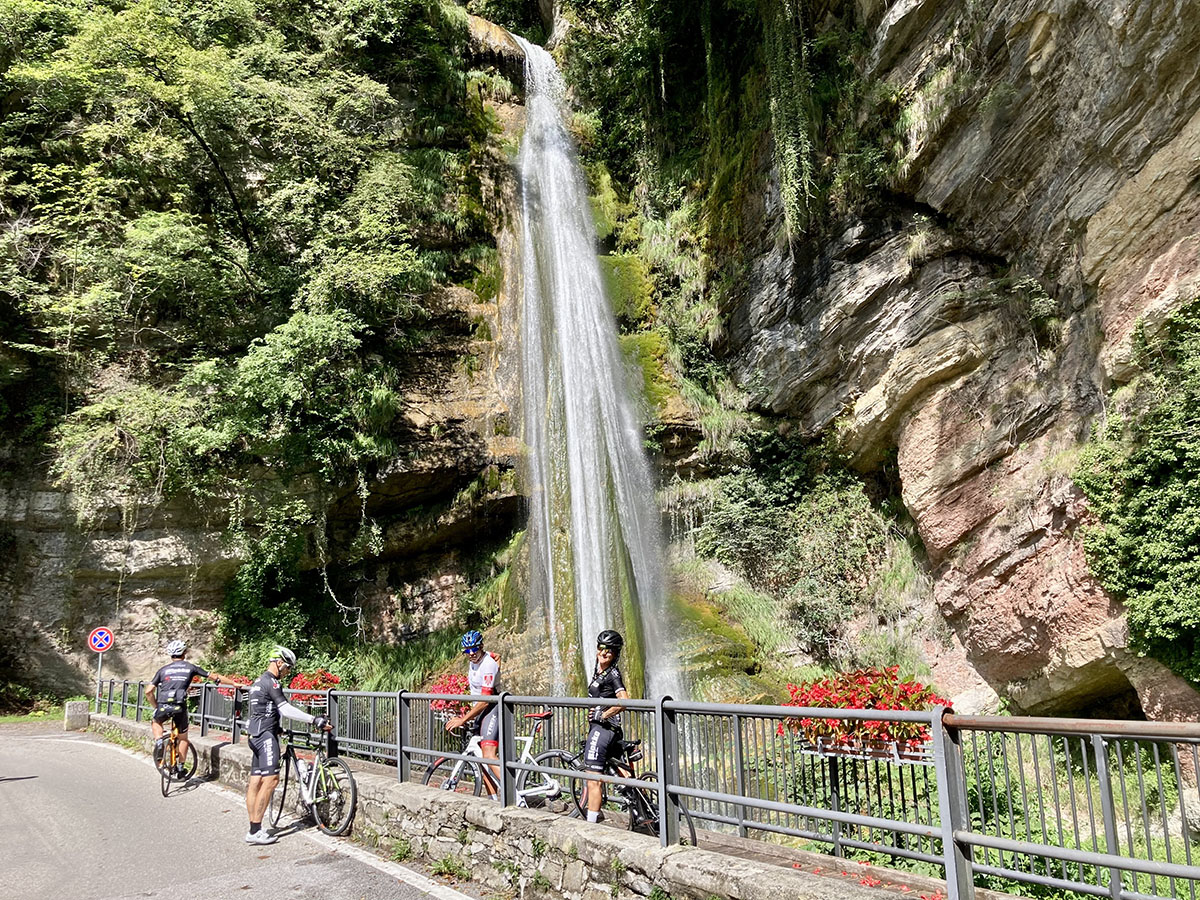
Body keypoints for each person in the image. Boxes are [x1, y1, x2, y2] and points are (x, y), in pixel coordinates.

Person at [243, 646, 333, 845]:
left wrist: (277, 728)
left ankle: (253, 827)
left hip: (255, 735)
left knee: (256, 782)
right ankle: (255, 830)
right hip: (265, 736)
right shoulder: (272, 682)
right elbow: (285, 708)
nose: (288, 672)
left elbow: (262, 710)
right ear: (279, 662)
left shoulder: (258, 681)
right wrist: (314, 720)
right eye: (288, 668)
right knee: (272, 780)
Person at [145, 640, 240, 779]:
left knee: (156, 722)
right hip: (179, 705)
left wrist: (156, 706)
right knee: (183, 739)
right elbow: (215, 677)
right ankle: (180, 768)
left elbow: (148, 691)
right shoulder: (190, 667)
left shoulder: (163, 670)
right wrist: (233, 683)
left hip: (163, 704)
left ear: (171, 655)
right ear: (184, 653)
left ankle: (159, 741)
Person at [444, 630, 502, 802]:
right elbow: (497, 655)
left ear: (481, 647)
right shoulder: (476, 660)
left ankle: (514, 795)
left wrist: (463, 719)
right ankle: (492, 799)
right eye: (467, 651)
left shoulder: (488, 664)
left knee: (489, 755)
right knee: (481, 760)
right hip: (480, 710)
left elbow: (484, 700)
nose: (471, 654)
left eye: (474, 650)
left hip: (491, 708)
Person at [583, 629, 629, 824]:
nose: (604, 652)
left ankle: (591, 825)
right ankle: (644, 810)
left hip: (603, 729)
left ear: (615, 654)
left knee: (593, 778)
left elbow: (624, 701)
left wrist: (604, 714)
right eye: (601, 648)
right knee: (624, 775)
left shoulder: (613, 674)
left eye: (609, 650)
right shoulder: (599, 670)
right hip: (606, 730)